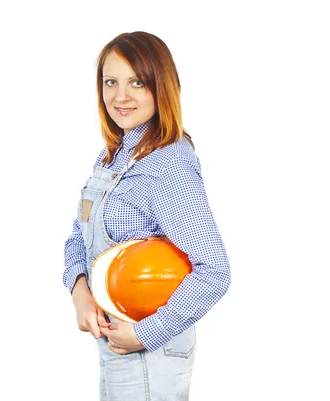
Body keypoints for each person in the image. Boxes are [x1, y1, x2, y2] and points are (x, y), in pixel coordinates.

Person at [63, 31, 231, 401]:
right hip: (115, 344)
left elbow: (214, 270)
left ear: (161, 86)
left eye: (136, 82)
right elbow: (80, 235)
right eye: (111, 82)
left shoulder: (169, 164)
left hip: (149, 354)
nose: (120, 96)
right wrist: (79, 292)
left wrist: (145, 334)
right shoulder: (114, 156)